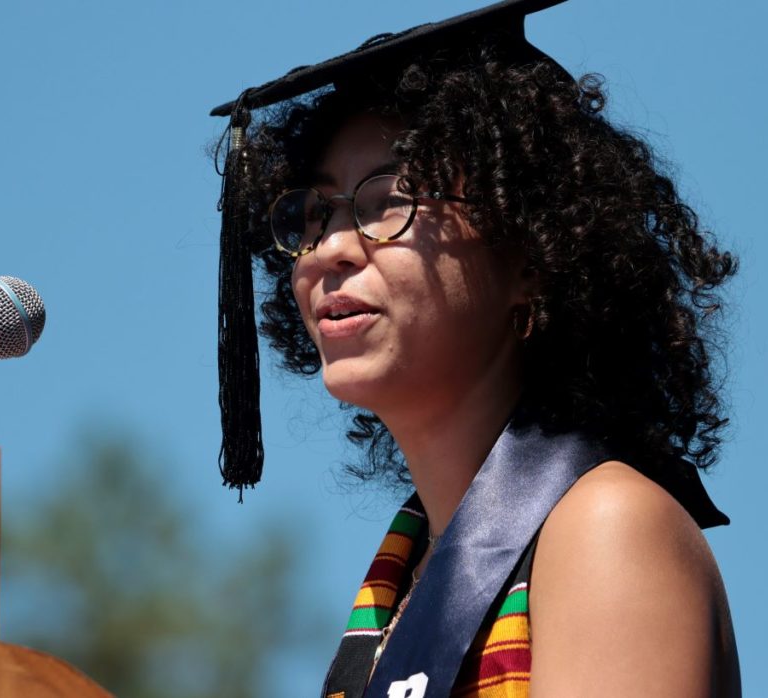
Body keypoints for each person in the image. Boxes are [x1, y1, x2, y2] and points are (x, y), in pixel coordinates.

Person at [209, 1, 740, 695]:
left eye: (387, 199)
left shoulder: (605, 528)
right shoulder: (403, 583)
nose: (330, 249)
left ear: (530, 252)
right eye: (314, 213)